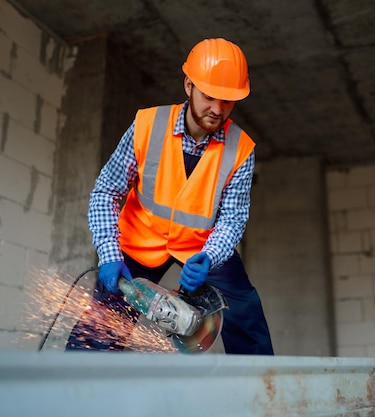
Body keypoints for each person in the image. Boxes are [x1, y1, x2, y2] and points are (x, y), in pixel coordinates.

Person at [66, 38, 274, 355]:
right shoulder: (147, 125)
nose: (218, 109)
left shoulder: (241, 148)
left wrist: (211, 256)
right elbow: (107, 191)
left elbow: (232, 219)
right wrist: (109, 253)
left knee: (244, 310)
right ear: (188, 85)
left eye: (228, 101)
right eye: (209, 96)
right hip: (139, 239)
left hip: (202, 247)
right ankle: (77, 392)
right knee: (102, 325)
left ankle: (263, 393)